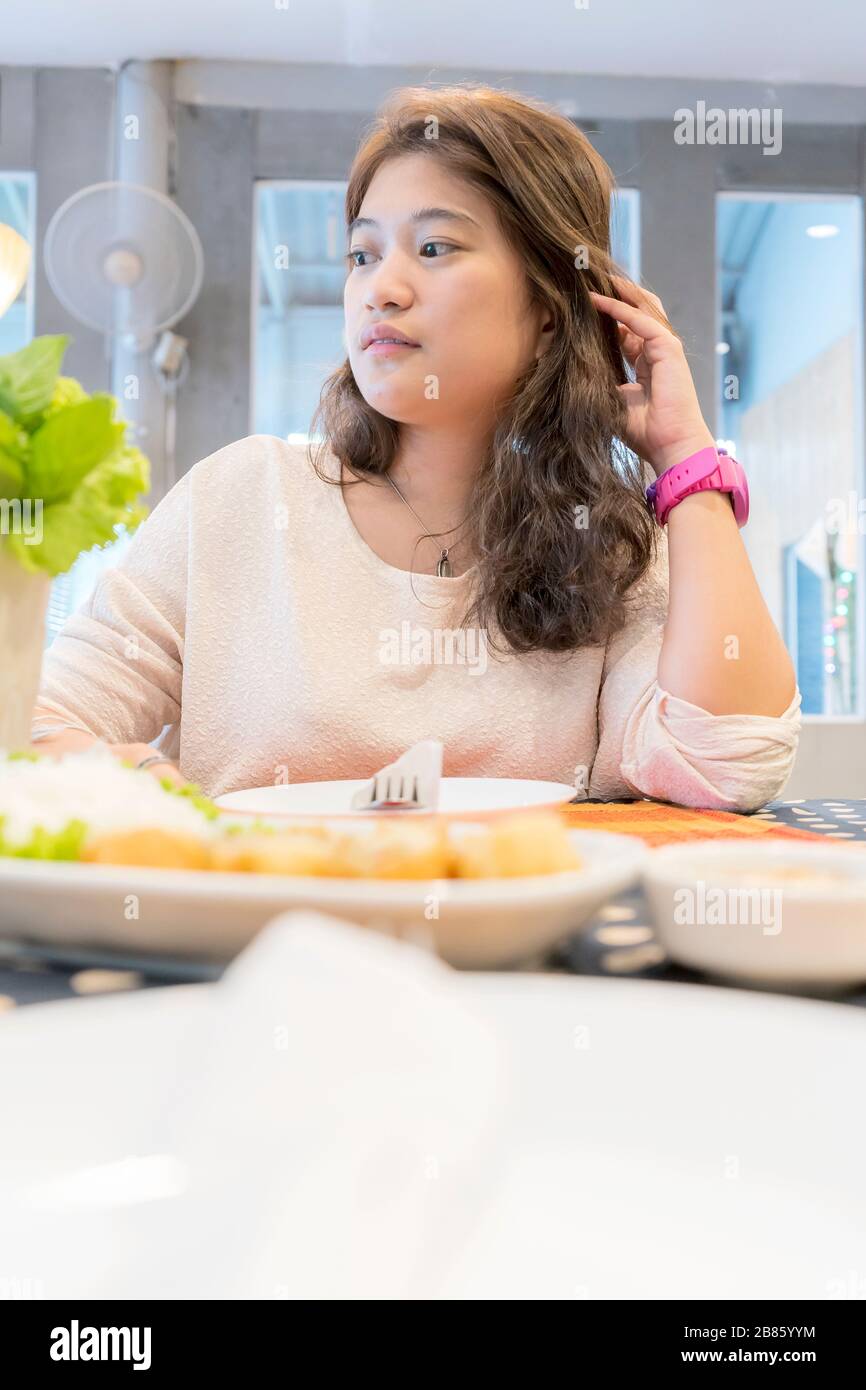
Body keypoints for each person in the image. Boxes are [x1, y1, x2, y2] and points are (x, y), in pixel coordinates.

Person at [31, 84, 801, 810]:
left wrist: (686, 458)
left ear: (548, 312)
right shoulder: (239, 498)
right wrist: (149, 787)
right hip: (256, 934)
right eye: (363, 254)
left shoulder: (610, 545)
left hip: (511, 941)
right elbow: (35, 725)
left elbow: (728, 763)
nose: (381, 287)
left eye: (434, 249)